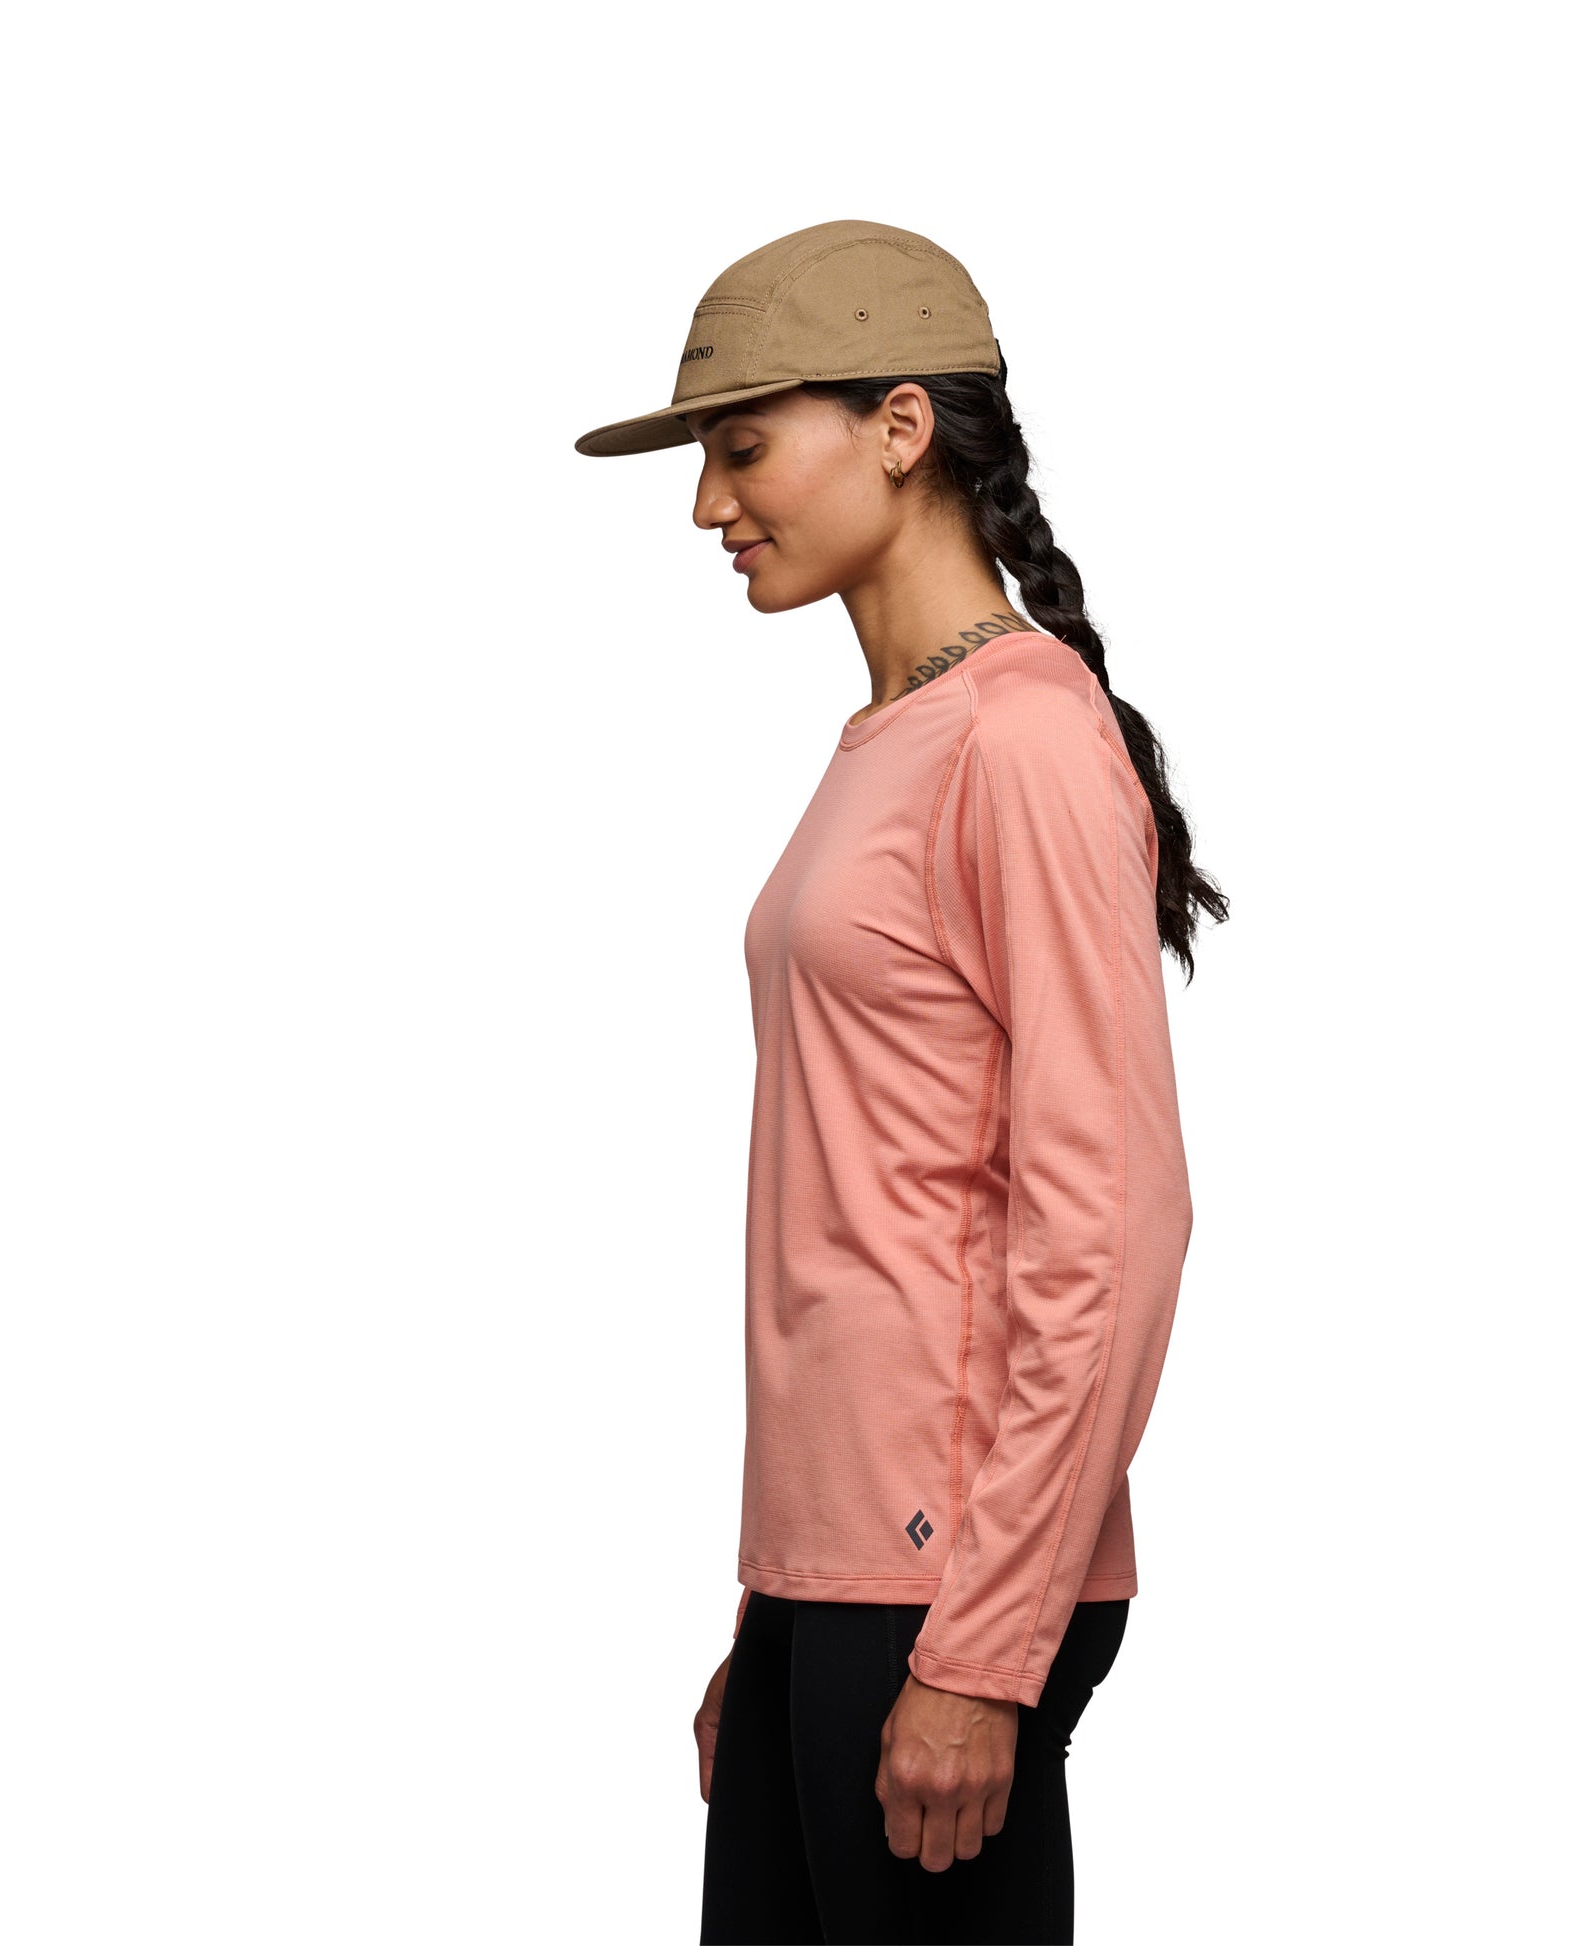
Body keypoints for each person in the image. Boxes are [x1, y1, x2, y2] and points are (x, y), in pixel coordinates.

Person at [573, 219, 1225, 1944]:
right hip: (844, 1576)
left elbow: (1113, 1222)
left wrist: (980, 1649)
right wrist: (778, 1610)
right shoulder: (901, 735)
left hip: (945, 1583)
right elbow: (870, 1204)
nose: (708, 506)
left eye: (739, 447)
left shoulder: (1019, 736)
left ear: (900, 426)